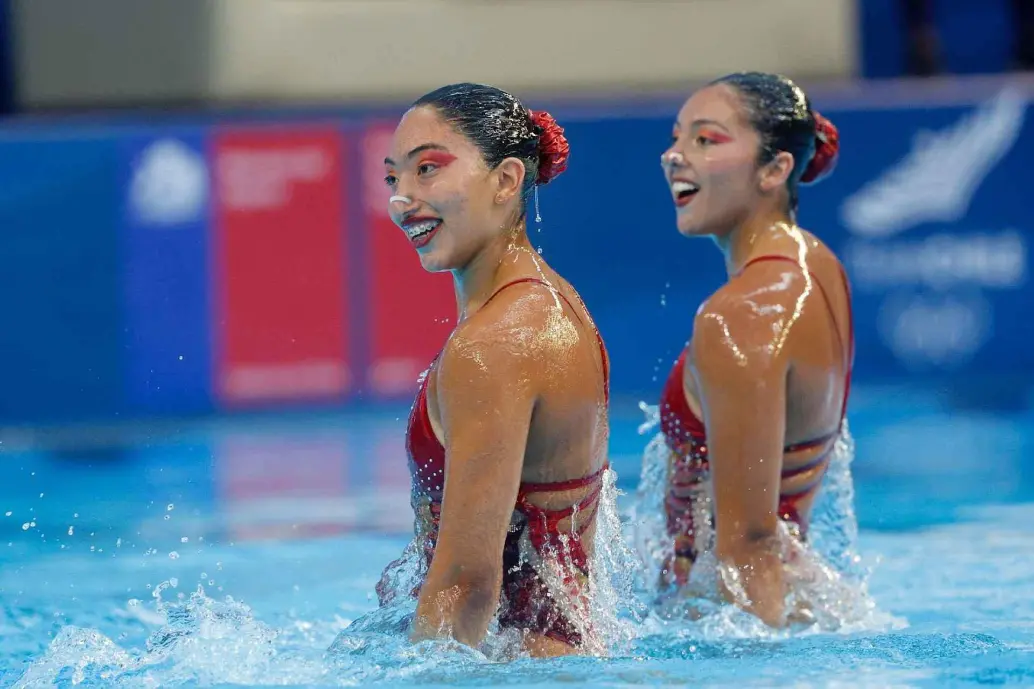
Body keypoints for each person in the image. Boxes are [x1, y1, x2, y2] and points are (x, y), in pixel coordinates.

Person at [375, 83, 611, 657]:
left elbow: (465, 587)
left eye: (427, 169)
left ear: (506, 180)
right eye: (392, 178)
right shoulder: (556, 302)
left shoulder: (495, 344)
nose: (402, 199)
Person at [653, 72, 853, 626]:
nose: (673, 156)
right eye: (676, 138)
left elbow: (749, 546)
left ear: (775, 168)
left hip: (736, 616)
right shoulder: (818, 265)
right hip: (794, 603)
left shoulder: (739, 315)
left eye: (706, 140)